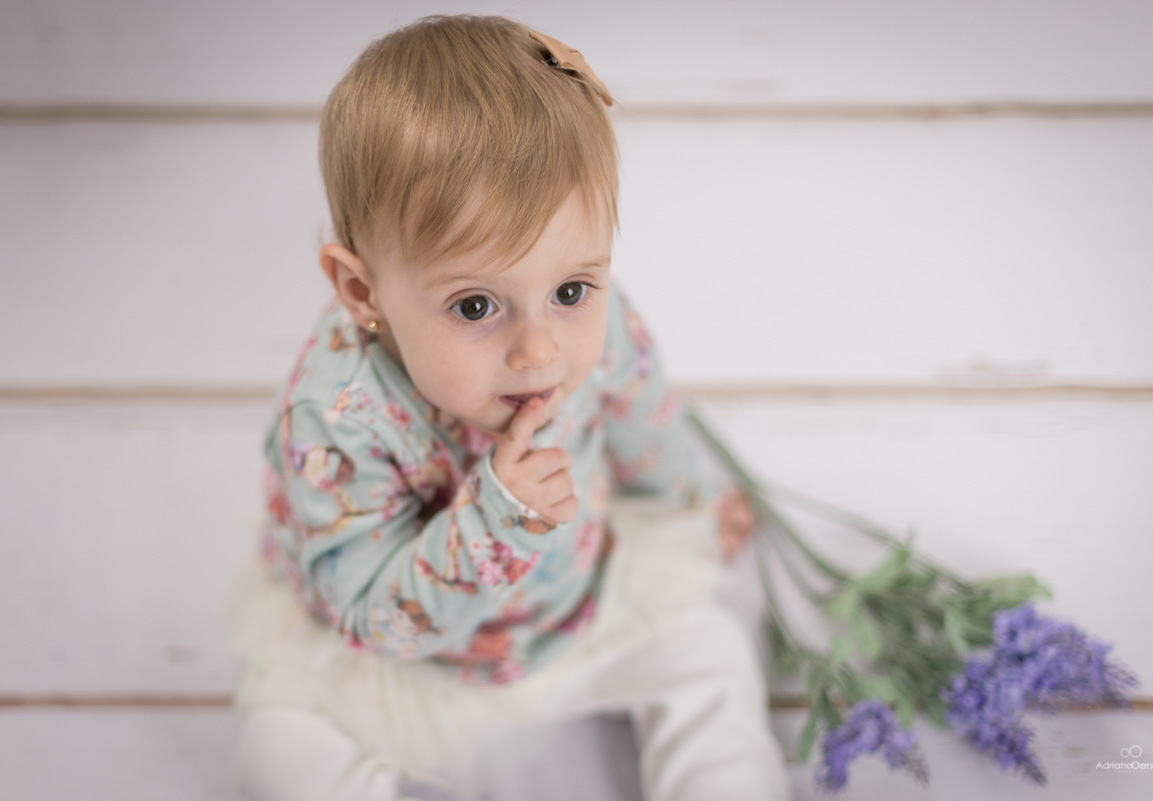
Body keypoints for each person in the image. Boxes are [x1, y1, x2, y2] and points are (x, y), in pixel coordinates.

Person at [227, 14, 791, 801]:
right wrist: (495, 524)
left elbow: (643, 411)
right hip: (406, 666)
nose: (539, 350)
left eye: (570, 289)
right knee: (282, 749)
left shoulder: (597, 328)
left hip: (585, 607)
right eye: (475, 305)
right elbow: (369, 613)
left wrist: (685, 500)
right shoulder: (338, 415)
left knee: (712, 655)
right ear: (363, 291)